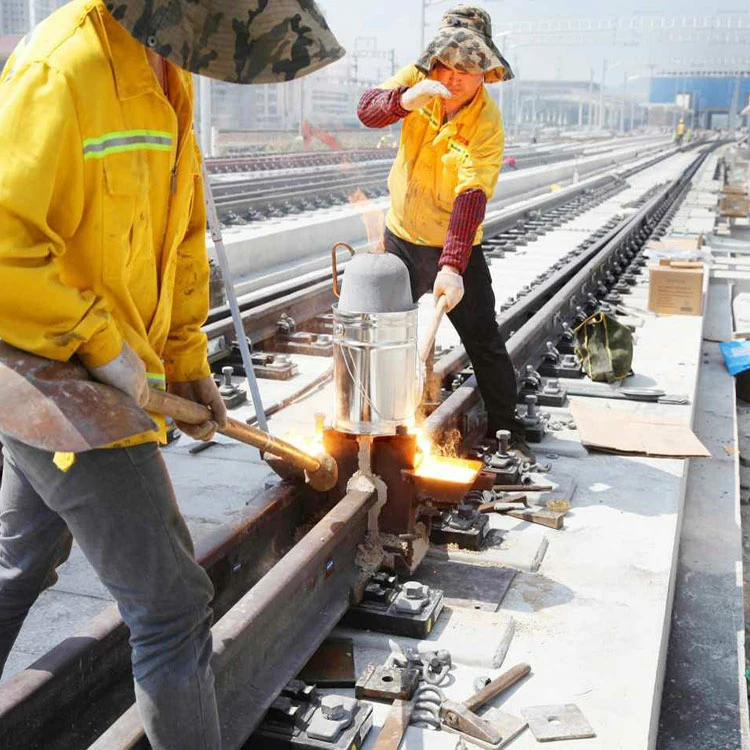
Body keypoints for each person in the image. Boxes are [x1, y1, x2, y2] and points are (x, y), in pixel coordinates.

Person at [0, 1, 342, 748]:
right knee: (172, 607)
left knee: (19, 563)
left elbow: (177, 237)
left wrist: (186, 363)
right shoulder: (64, 66)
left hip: (101, 377)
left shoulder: (168, 72)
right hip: (55, 384)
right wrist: (100, 346)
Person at [357, 4, 530, 455]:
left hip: (455, 246)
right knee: (381, 335)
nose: (453, 78)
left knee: (483, 338)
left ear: (485, 74)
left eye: (467, 70)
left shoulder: (487, 124)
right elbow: (367, 111)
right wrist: (402, 101)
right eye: (448, 65)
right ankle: (373, 422)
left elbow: (470, 195)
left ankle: (506, 428)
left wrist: (452, 266)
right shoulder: (416, 81)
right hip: (399, 239)